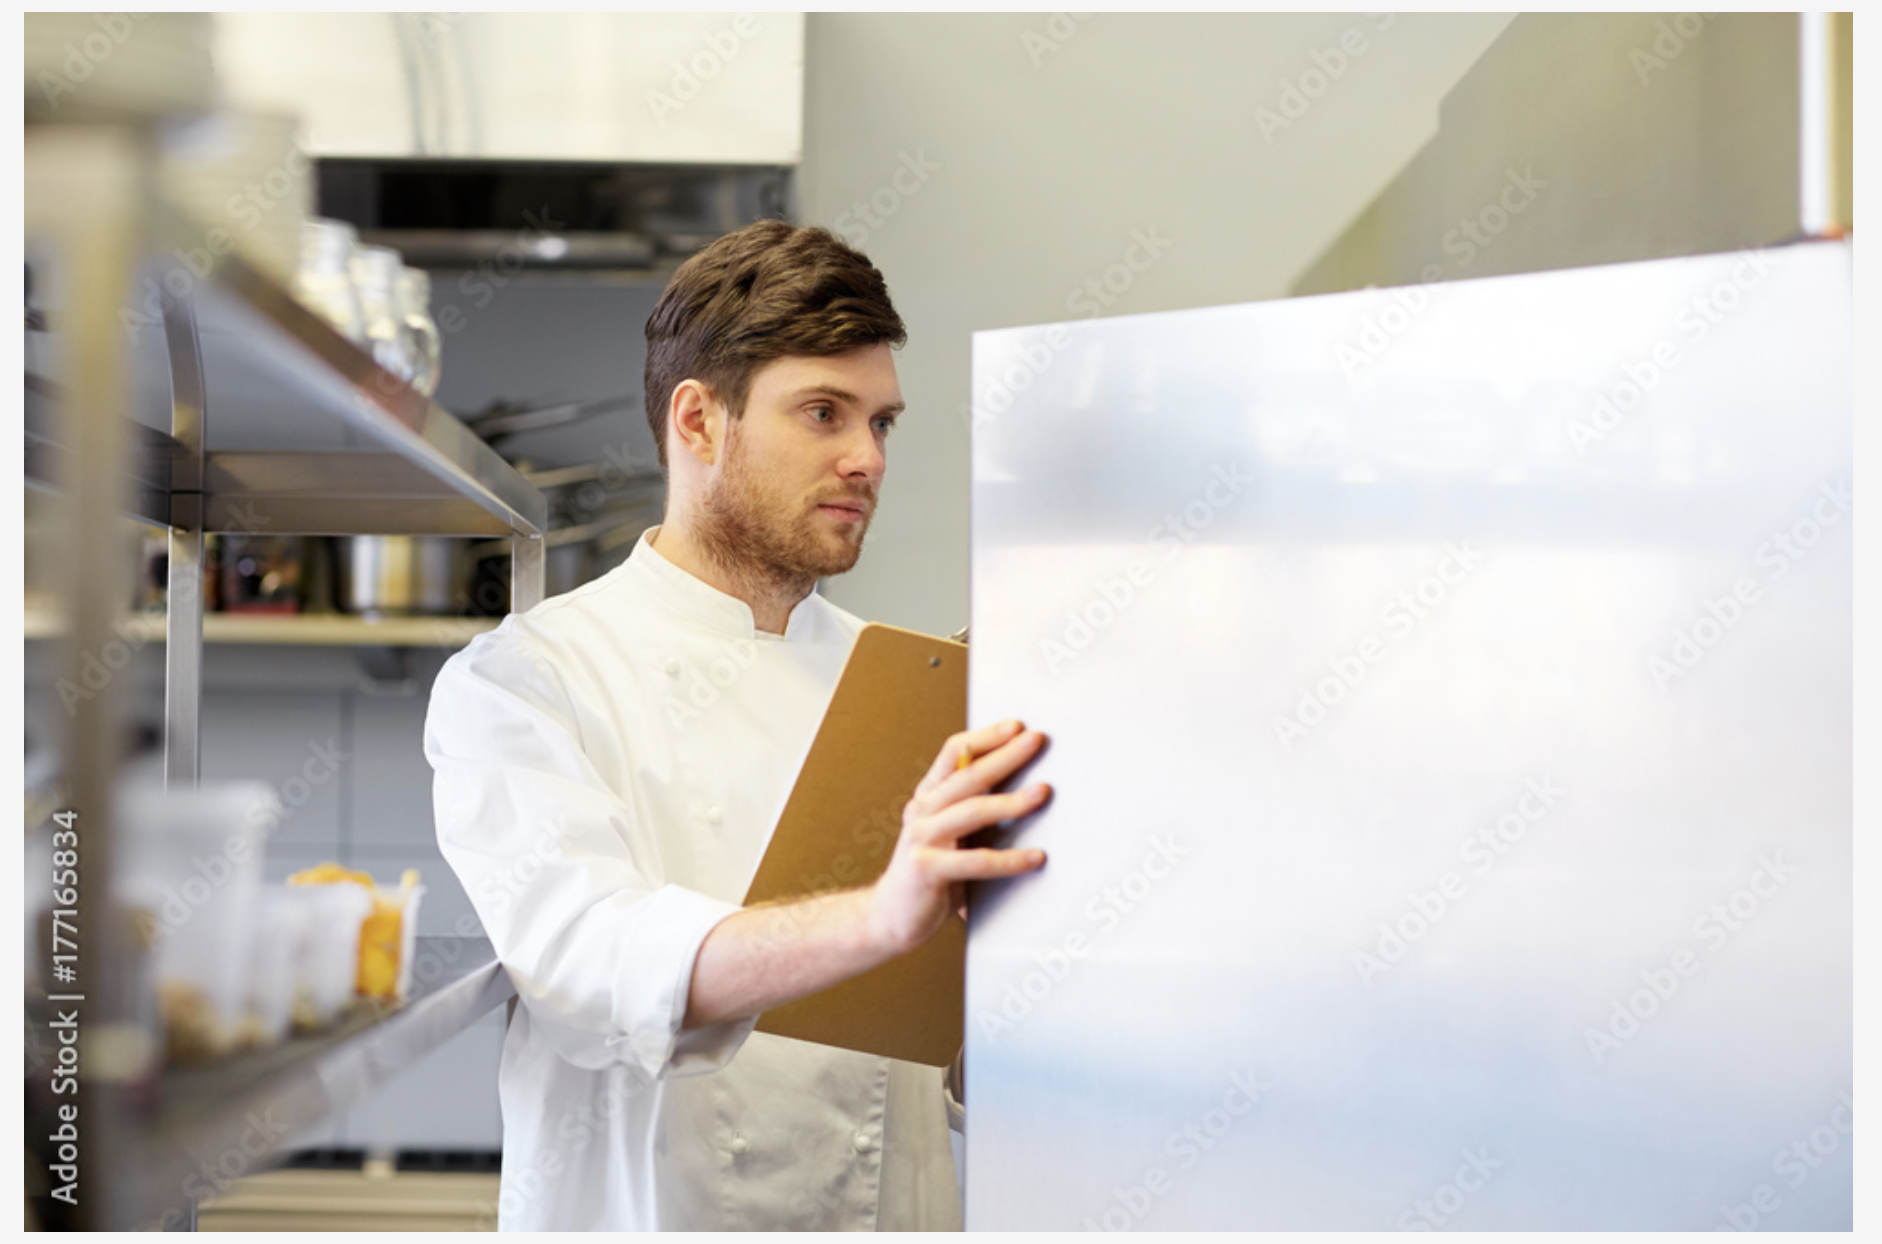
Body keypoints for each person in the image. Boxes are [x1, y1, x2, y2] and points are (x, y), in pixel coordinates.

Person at [423, 219, 1050, 1230]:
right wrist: (882, 913)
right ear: (699, 421)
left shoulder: (905, 679)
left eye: (880, 422)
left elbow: (948, 1055)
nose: (864, 458)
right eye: (822, 412)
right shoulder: (527, 679)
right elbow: (586, 960)